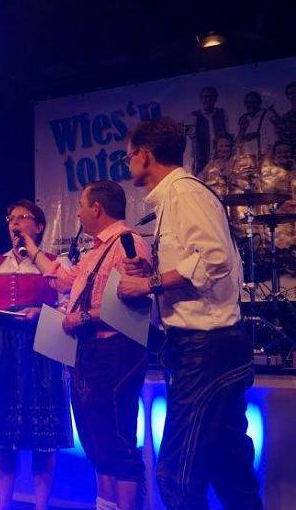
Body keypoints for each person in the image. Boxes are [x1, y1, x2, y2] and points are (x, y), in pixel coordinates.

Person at [117, 117, 262, 510]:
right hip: (205, 348)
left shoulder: (183, 193)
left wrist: (148, 284)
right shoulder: (174, 197)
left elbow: (214, 259)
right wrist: (153, 271)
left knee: (177, 476)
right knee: (229, 468)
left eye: (129, 156)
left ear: (144, 155)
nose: (128, 163)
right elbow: (196, 260)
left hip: (206, 349)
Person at [22, 180, 153, 510]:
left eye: (81, 205)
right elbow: (62, 279)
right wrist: (29, 245)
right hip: (90, 353)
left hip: (116, 353)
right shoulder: (96, 251)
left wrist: (80, 317)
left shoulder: (128, 243)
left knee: (118, 439)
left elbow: (131, 300)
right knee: (96, 441)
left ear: (97, 208)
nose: (78, 213)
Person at [0, 200, 73, 510]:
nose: (15, 222)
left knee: (43, 439)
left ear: (38, 226)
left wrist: (41, 312)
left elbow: (68, 306)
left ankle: (41, 506)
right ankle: (3, 505)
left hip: (40, 353)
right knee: (0, 435)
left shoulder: (55, 262)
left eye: (23, 217)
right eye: (11, 217)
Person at [185, 86, 228, 175]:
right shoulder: (192, 116)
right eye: (205, 97)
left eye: (210, 97)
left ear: (215, 99)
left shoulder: (222, 113)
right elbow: (191, 139)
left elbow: (226, 136)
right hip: (201, 159)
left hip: (219, 158)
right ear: (201, 99)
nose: (207, 100)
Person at [236, 91, 278, 160]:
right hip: (247, 159)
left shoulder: (267, 115)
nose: (251, 105)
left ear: (259, 102)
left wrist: (268, 159)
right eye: (248, 102)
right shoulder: (243, 118)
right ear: (245, 104)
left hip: (264, 157)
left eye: (254, 102)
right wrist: (243, 132)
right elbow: (237, 143)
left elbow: (273, 141)